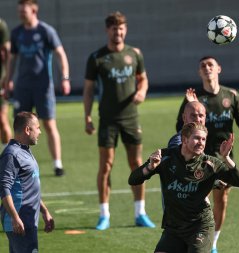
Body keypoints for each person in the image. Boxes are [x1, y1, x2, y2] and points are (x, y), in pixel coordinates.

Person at [83, 11, 154, 230]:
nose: (118, 32)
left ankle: (140, 212)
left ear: (126, 29)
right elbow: (88, 90)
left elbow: (143, 80)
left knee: (137, 164)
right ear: (108, 30)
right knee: (106, 166)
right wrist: (87, 116)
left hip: (131, 118)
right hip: (108, 120)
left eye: (122, 28)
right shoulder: (97, 58)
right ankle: (104, 214)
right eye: (114, 28)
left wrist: (142, 91)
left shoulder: (135, 54)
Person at [129, 122, 239, 253]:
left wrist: (226, 158)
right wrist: (150, 167)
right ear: (184, 139)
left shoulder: (210, 163)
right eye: (196, 138)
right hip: (174, 229)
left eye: (203, 139)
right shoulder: (165, 157)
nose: (201, 143)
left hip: (200, 227)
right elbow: (133, 179)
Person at [175, 56, 239, 253]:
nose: (207, 68)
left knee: (221, 200)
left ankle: (213, 243)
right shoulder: (194, 97)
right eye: (203, 66)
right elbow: (179, 128)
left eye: (210, 65)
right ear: (199, 72)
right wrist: (189, 106)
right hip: (200, 159)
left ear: (219, 69)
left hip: (224, 157)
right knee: (199, 201)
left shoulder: (231, 94)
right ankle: (197, 238)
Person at [3, 0, 71, 176]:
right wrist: (8, 80)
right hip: (22, 87)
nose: (21, 15)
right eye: (19, 12)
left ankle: (57, 164)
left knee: (48, 124)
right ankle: (19, 163)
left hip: (43, 87)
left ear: (34, 10)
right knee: (20, 126)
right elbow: (12, 60)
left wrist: (65, 78)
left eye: (23, 11)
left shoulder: (46, 31)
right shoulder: (17, 33)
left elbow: (60, 55)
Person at [0, 111, 55, 253]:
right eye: (37, 127)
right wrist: (15, 217)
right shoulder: (12, 154)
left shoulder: (24, 151)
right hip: (20, 221)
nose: (40, 132)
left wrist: (44, 211)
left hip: (27, 220)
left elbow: (29, 187)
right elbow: (4, 189)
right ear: (27, 129)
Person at [0, 18, 12, 149]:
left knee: (2, 118)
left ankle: (8, 156)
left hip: (0, 78)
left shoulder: (1, 25)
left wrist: (8, 77)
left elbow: (7, 53)